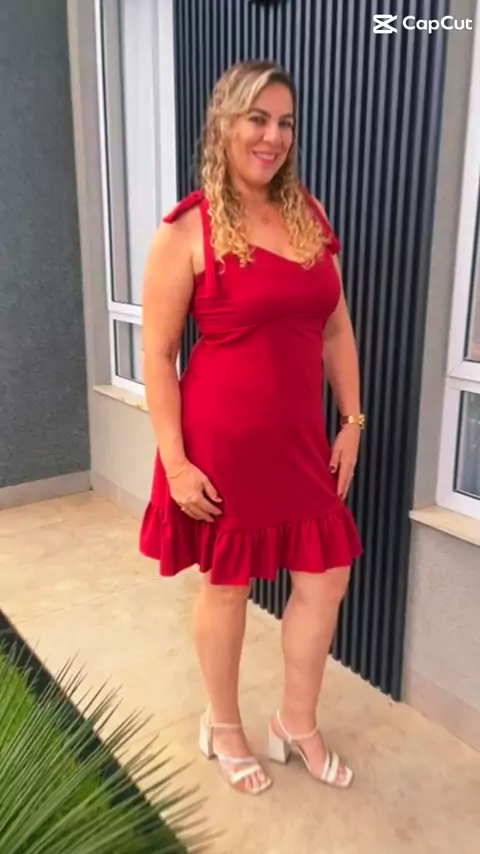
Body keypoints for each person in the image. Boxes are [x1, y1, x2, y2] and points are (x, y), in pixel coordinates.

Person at [140, 59, 364, 796]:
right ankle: (224, 722)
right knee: (229, 587)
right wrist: (176, 463)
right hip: (223, 444)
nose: (273, 136)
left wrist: (352, 420)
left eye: (285, 122)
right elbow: (159, 355)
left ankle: (295, 721)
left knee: (327, 577)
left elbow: (335, 327)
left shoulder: (310, 215)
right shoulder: (188, 228)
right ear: (225, 124)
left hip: (300, 443)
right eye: (257, 119)